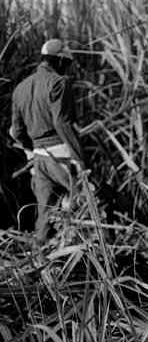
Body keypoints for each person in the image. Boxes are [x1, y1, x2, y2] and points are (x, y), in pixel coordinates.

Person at [10, 38, 85, 247]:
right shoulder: (59, 82)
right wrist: (79, 159)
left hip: (39, 157)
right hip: (60, 154)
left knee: (45, 212)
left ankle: (40, 255)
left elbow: (16, 131)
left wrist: (31, 151)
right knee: (86, 200)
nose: (66, 68)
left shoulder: (20, 88)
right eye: (66, 63)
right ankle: (98, 252)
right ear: (59, 61)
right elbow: (62, 123)